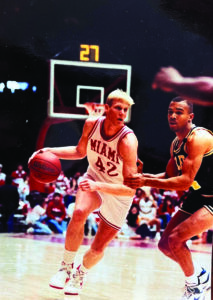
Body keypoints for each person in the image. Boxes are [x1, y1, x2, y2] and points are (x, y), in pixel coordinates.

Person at [29, 89, 138, 296]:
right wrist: (49, 151)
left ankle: (81, 273)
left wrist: (100, 187)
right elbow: (80, 152)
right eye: (118, 108)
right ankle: (66, 267)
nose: (122, 112)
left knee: (98, 248)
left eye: (125, 109)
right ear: (106, 108)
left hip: (118, 193)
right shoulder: (92, 124)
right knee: (78, 213)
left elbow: (130, 187)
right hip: (94, 178)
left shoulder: (127, 141)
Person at [124, 97, 213, 300]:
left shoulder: (197, 138)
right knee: (164, 244)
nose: (172, 115)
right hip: (199, 195)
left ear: (190, 117)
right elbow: (170, 176)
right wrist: (142, 177)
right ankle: (200, 276)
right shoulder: (176, 144)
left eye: (178, 112)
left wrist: (144, 183)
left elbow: (183, 182)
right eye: (170, 111)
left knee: (176, 239)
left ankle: (195, 288)